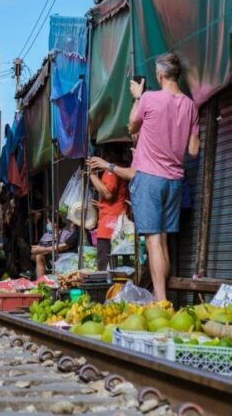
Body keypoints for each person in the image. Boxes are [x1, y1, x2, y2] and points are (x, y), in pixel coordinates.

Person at [125, 53, 200, 301]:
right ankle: (163, 299)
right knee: (164, 240)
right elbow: (193, 150)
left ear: (159, 75)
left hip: (149, 177)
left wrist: (137, 97)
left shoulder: (148, 98)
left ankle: (160, 300)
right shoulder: (190, 105)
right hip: (175, 179)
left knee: (153, 241)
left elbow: (131, 127)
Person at [87, 148, 130, 271]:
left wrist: (92, 175)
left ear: (110, 153)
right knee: (117, 267)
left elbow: (108, 194)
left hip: (109, 226)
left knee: (104, 267)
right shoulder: (119, 169)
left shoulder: (111, 171)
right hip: (115, 223)